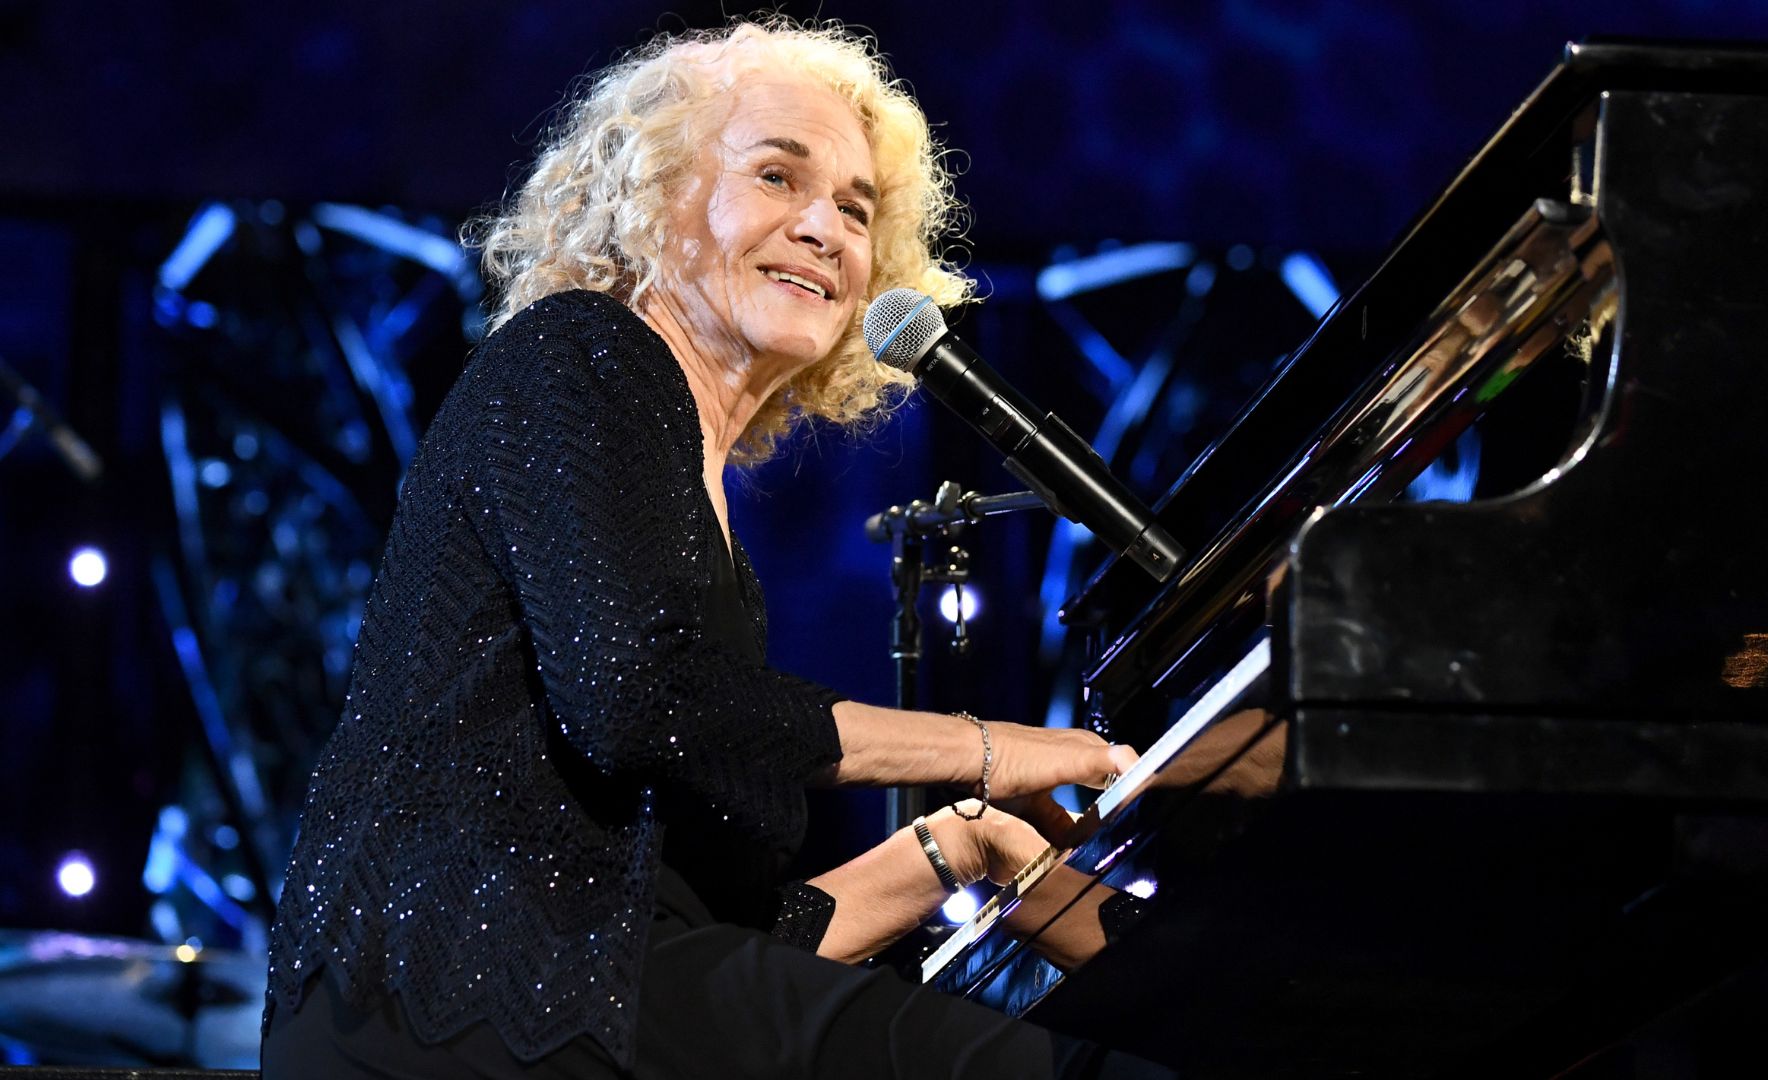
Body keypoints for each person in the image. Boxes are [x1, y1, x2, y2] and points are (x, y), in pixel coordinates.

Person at [260, 18, 1169, 1079]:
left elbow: (720, 934)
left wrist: (958, 842)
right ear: (652, 202)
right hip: (457, 996)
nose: (824, 228)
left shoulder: (702, 503)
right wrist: (986, 747)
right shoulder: (581, 351)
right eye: (777, 177)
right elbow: (637, 695)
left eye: (854, 209)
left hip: (572, 996)